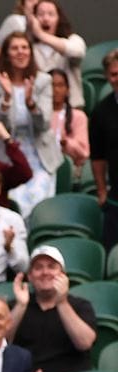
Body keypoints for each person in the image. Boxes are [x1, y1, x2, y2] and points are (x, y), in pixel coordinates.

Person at [0, 32, 62, 219]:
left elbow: (44, 124)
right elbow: (0, 125)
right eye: (15, 48)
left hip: (40, 156)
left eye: (24, 47)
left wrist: (31, 104)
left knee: (39, 207)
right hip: (9, 155)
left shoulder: (43, 81)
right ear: (6, 54)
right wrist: (6, 97)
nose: (20, 52)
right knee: (16, 205)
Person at [8, 245, 96, 372]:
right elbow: (1, 342)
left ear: (63, 275)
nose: (45, 272)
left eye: (51, 267)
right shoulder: (17, 305)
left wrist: (62, 303)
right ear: (30, 276)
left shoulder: (80, 305)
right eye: (38, 268)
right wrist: (21, 306)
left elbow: (84, 343)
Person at [27, 0, 86, 109]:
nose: (45, 19)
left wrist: (40, 34)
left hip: (71, 109)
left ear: (59, 18)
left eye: (51, 14)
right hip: (39, 111)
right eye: (40, 14)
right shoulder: (28, 47)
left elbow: (77, 52)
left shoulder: (73, 39)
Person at [89, 49, 118, 251]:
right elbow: (98, 156)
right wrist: (101, 191)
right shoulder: (100, 111)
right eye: (114, 74)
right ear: (106, 76)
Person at [49, 69, 89, 176]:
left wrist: (67, 143)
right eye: (52, 85)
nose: (56, 90)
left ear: (67, 90)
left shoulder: (79, 116)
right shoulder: (39, 116)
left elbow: (84, 152)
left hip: (71, 170)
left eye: (60, 85)